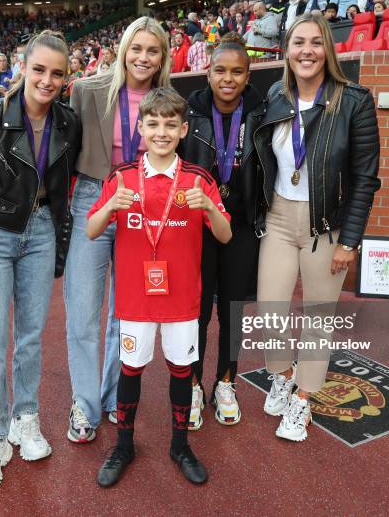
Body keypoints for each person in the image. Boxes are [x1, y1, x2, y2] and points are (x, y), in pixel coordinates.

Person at [0, 30, 82, 490]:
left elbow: (64, 194)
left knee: (29, 338)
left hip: (42, 234)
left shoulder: (69, 122)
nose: (47, 80)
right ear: (22, 67)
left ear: (67, 78)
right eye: (39, 69)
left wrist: (60, 249)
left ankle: (24, 419)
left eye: (57, 73)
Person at [91, 87, 232, 488]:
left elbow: (224, 235)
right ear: (140, 127)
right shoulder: (121, 178)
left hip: (182, 300)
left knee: (181, 370)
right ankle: (123, 445)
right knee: (130, 368)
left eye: (171, 125)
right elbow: (89, 229)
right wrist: (109, 207)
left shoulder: (198, 179)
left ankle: (180, 445)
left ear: (184, 129)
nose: (162, 132)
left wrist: (208, 207)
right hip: (135, 301)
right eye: (153, 123)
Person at [255, 12, 380, 442]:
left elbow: (365, 178)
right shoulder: (275, 93)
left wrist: (351, 239)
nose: (306, 51)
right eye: (298, 43)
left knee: (317, 318)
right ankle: (284, 373)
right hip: (278, 216)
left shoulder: (355, 101)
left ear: (328, 49)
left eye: (315, 42)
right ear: (286, 52)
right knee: (270, 307)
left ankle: (303, 402)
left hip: (325, 223)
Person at [65, 16, 172, 444]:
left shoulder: (167, 99)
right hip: (94, 196)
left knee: (125, 311)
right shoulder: (87, 90)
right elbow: (66, 151)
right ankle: (85, 404)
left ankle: (112, 395)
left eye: (153, 50)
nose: (143, 58)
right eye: (137, 48)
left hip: (143, 203)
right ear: (123, 49)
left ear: (162, 56)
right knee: (84, 311)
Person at [178, 33, 264, 430]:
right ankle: (194, 383)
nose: (228, 79)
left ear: (248, 76)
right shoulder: (190, 113)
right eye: (220, 70)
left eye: (237, 71)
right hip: (198, 225)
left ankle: (226, 380)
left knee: (231, 310)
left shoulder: (260, 113)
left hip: (241, 225)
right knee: (195, 311)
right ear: (207, 73)